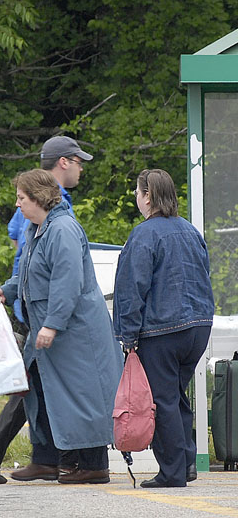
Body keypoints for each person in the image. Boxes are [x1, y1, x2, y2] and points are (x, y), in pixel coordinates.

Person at [0, 169, 122, 485]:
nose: (17, 204)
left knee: (84, 395)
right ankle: (48, 460)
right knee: (43, 391)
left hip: (76, 331)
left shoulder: (62, 230)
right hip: (52, 330)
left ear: (38, 198)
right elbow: (31, 273)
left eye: (21, 198)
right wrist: (7, 290)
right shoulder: (38, 228)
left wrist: (52, 324)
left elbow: (67, 281)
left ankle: (94, 465)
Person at [0, 135, 92, 484]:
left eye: (20, 199)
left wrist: (18, 292)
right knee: (33, 385)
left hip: (42, 315)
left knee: (34, 386)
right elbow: (44, 267)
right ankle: (7, 448)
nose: (81, 168)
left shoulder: (53, 218)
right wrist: (18, 293)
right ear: (63, 162)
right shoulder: (49, 210)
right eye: (77, 161)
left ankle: (41, 457)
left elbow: (31, 257)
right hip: (41, 317)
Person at [113, 169, 214, 488]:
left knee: (162, 399)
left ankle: (171, 472)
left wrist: (128, 335)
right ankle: (186, 463)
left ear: (148, 196)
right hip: (198, 326)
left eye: (137, 192)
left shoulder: (144, 235)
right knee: (175, 395)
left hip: (162, 329)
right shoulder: (190, 231)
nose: (136, 197)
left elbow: (132, 288)